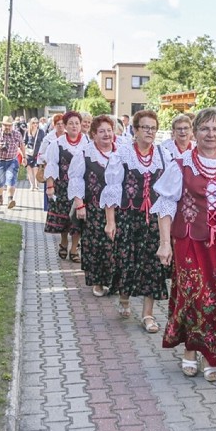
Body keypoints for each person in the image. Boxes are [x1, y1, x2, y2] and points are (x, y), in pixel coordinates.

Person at [151, 107, 216, 382]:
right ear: (195, 132)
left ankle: (212, 354)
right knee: (193, 296)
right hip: (189, 241)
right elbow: (166, 205)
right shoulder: (181, 164)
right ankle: (191, 350)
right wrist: (164, 243)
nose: (211, 134)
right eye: (205, 128)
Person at [102, 110, 172, 328]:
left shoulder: (163, 155)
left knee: (152, 265)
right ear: (135, 130)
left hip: (154, 220)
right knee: (126, 261)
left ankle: (148, 314)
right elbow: (112, 188)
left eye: (153, 128)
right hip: (127, 217)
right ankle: (124, 297)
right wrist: (110, 221)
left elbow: (169, 192)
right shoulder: (123, 154)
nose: (150, 132)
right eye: (145, 127)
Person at [70, 114, 119, 297]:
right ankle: (97, 281)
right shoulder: (85, 154)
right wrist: (80, 204)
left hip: (118, 209)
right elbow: (76, 179)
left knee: (116, 245)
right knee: (96, 245)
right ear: (93, 135)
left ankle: (114, 281)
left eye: (109, 130)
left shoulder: (121, 152)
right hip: (94, 208)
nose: (107, 134)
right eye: (102, 131)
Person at [44, 112, 88, 261]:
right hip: (63, 186)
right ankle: (64, 241)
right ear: (65, 126)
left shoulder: (87, 142)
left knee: (78, 219)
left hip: (81, 188)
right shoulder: (58, 143)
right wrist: (50, 186)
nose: (74, 126)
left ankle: (74, 249)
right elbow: (51, 165)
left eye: (77, 123)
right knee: (64, 218)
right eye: (71, 123)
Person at [0, 115, 26, 209]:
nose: (7, 127)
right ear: (2, 125)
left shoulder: (17, 134)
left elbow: (22, 145)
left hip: (12, 160)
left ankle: (10, 200)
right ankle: (0, 198)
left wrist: (24, 157)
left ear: (12, 125)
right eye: (5, 125)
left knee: (11, 180)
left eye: (9, 125)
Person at [24, 118, 45, 191]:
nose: (35, 124)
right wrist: (23, 150)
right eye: (33, 123)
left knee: (36, 169)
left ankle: (36, 185)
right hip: (28, 154)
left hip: (37, 153)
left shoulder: (41, 132)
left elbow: (44, 141)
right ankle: (32, 185)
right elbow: (24, 142)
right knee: (29, 170)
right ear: (31, 124)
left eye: (37, 123)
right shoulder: (27, 132)